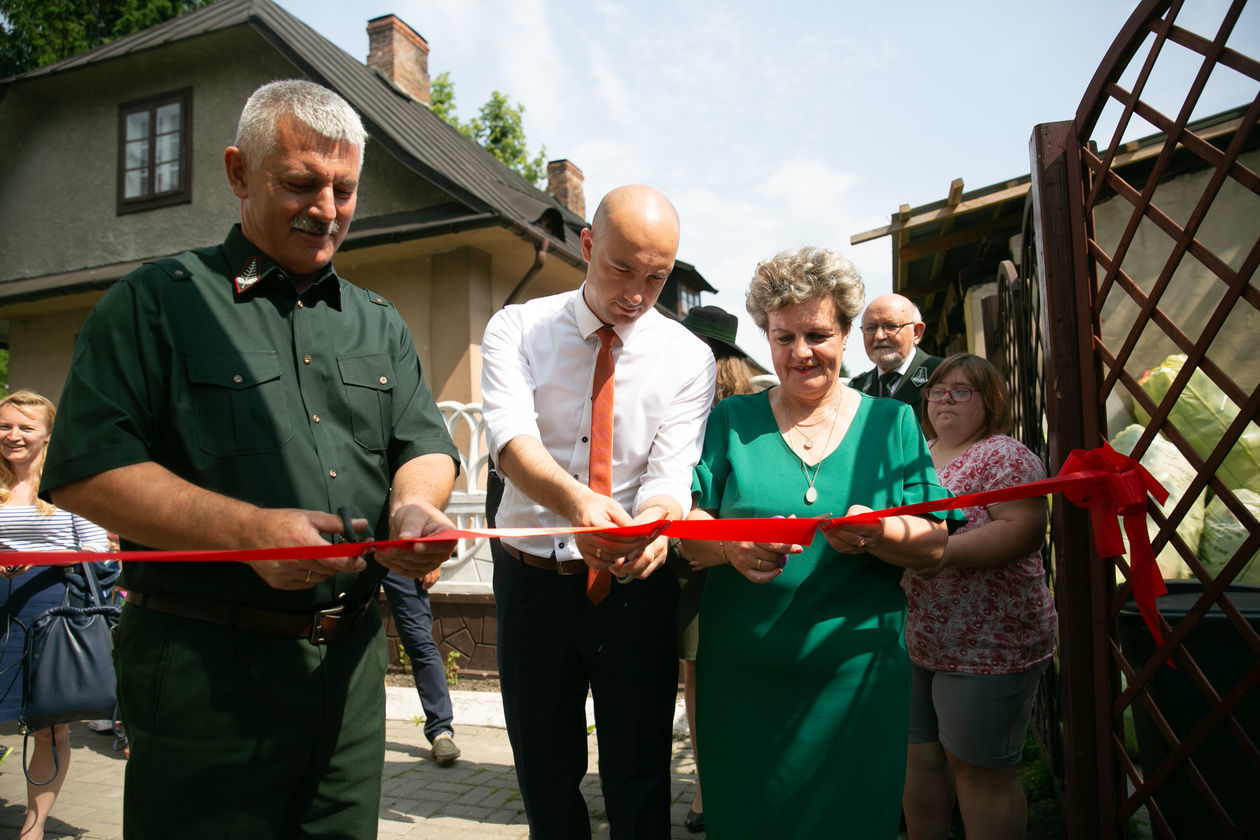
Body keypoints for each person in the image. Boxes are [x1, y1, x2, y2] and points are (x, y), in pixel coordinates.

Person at [40, 79, 461, 839]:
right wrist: (248, 533)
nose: (327, 210)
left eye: (344, 188)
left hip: (351, 676)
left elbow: (424, 445)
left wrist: (414, 507)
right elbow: (84, 468)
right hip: (207, 674)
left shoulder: (378, 323)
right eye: (300, 183)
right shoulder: (157, 304)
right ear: (238, 173)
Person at [676, 246, 961, 839]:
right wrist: (730, 545)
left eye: (817, 334)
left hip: (855, 683)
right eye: (783, 337)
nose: (800, 353)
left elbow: (933, 547)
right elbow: (688, 533)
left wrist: (882, 531)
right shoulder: (732, 422)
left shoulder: (892, 423)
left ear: (848, 333)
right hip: (744, 685)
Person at [481, 185, 716, 838]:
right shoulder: (519, 329)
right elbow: (510, 442)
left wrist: (658, 524)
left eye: (657, 278)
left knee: (640, 779)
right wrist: (581, 505)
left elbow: (672, 476)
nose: (637, 294)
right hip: (532, 583)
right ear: (587, 245)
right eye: (622, 268)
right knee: (545, 779)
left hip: (634, 589)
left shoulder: (688, 357)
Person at [901, 354, 1056, 840]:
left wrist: (941, 552)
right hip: (921, 637)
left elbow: (1024, 530)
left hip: (989, 644)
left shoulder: (1002, 455)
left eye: (961, 390)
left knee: (977, 770)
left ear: (989, 401)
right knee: (920, 757)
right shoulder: (919, 451)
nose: (945, 399)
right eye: (938, 390)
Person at [0, 390, 113, 840]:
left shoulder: (67, 484)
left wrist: (41, 558)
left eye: (26, 427)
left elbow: (100, 554)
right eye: (6, 426)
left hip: (50, 620)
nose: (14, 436)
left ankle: (33, 827)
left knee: (48, 729)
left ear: (48, 435)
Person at [668, 304, 759, 834]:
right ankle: (716, 783)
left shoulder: (717, 403)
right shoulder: (745, 401)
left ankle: (708, 787)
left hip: (706, 548)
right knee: (711, 673)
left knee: (698, 676)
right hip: (720, 547)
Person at [380, 566, 461, 765]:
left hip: (400, 552)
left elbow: (437, 532)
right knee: (350, 636)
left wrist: (433, 560)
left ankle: (440, 731)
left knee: (420, 641)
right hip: (356, 551)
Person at [849, 293, 943, 413]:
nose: (879, 336)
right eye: (871, 328)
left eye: (891, 326)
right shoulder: (858, 388)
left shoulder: (943, 374)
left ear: (916, 332)